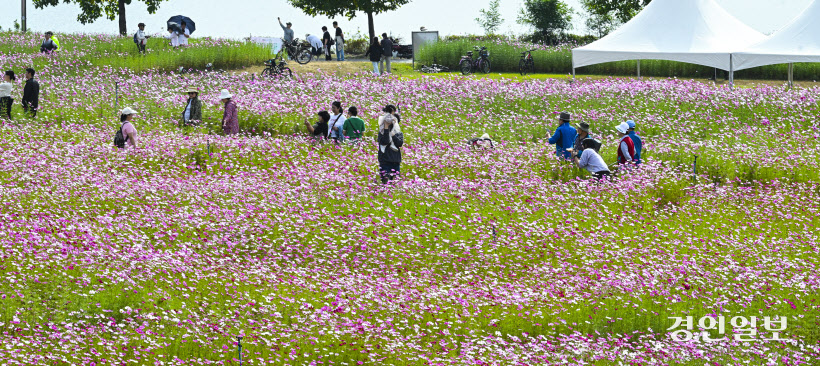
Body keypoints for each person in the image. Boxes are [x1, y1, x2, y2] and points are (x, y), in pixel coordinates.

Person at [378, 113, 404, 184]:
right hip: (385, 161)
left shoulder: (399, 133)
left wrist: (393, 135)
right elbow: (385, 141)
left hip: (395, 162)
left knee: (395, 183)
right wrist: (386, 128)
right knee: (385, 183)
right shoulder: (382, 132)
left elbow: (399, 143)